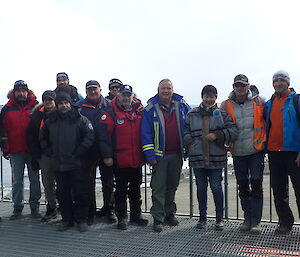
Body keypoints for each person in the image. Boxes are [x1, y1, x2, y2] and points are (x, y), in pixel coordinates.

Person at [184, 85, 238, 230]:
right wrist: (190, 143)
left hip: (216, 158)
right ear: (202, 97)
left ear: (216, 97)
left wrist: (217, 135)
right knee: (201, 188)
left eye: (212, 96)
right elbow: (184, 130)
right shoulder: (191, 114)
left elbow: (233, 131)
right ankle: (202, 218)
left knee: (216, 187)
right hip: (197, 158)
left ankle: (219, 218)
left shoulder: (222, 114)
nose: (209, 99)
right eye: (207, 96)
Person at [39, 92, 94, 232]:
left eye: (66, 103)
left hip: (77, 163)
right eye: (61, 103)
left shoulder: (80, 119)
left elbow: (90, 135)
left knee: (80, 193)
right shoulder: (50, 120)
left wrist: (81, 150)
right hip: (58, 163)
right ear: (57, 105)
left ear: (70, 103)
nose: (64, 105)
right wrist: (48, 151)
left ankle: (81, 220)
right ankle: (66, 220)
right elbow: (42, 137)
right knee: (62, 194)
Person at [141, 79, 191, 232]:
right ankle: (157, 218)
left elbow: (191, 123)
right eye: (163, 88)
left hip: (176, 154)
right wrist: (150, 155)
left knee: (172, 186)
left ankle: (170, 214)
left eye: (169, 88)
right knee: (159, 188)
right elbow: (146, 134)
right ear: (158, 90)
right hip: (159, 156)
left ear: (172, 89)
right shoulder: (150, 109)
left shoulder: (182, 105)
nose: (166, 91)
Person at [221, 74, 266, 234]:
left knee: (256, 185)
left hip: (256, 151)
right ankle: (247, 218)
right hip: (238, 152)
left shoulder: (259, 101)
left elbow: (269, 123)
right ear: (233, 87)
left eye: (243, 85)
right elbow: (221, 126)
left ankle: (256, 221)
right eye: (237, 85)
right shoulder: (225, 105)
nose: (240, 88)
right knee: (243, 186)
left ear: (248, 86)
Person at [99, 85, 148, 230]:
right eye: (123, 95)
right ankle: (122, 217)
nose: (126, 98)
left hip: (137, 158)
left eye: (129, 95)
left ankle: (136, 215)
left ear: (132, 96)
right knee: (120, 189)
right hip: (119, 159)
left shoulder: (140, 110)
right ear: (118, 95)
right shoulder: (110, 112)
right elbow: (103, 137)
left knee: (136, 188)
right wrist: (107, 156)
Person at [75, 80, 116, 225]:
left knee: (108, 183)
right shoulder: (79, 107)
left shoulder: (110, 105)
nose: (92, 92)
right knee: (88, 184)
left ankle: (109, 210)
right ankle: (90, 212)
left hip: (107, 151)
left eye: (95, 89)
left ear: (100, 89)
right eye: (89, 89)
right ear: (85, 91)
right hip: (87, 152)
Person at [264, 70, 300, 234]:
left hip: (294, 152)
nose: (279, 83)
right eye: (276, 81)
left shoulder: (296, 100)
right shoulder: (270, 103)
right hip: (274, 152)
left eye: (282, 80)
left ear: (287, 83)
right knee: (279, 190)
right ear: (273, 84)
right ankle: (285, 222)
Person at [0, 80, 41, 220]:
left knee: (34, 179)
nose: (21, 93)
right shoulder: (6, 109)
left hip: (32, 150)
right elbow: (2, 131)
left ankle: (34, 207)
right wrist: (5, 149)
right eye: (19, 91)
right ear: (14, 92)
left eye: (24, 90)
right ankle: (17, 207)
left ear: (27, 92)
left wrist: (40, 149)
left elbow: (41, 129)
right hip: (16, 150)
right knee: (17, 181)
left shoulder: (36, 107)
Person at [27, 90, 58, 222]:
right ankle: (51, 207)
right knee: (48, 183)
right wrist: (35, 155)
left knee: (64, 183)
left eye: (50, 99)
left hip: (61, 154)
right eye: (46, 99)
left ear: (54, 101)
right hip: (44, 155)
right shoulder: (36, 116)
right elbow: (31, 137)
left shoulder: (64, 113)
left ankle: (66, 207)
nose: (48, 102)